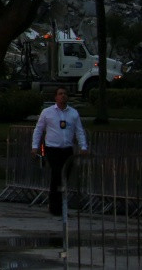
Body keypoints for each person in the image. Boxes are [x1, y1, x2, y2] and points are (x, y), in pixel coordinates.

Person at [31, 87, 89, 216]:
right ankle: (55, 206)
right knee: (57, 175)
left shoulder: (73, 113)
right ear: (55, 97)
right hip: (52, 149)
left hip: (67, 149)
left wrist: (83, 146)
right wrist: (35, 146)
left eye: (65, 94)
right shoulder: (47, 112)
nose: (63, 96)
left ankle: (62, 205)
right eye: (60, 94)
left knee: (65, 177)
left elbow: (79, 131)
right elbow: (38, 129)